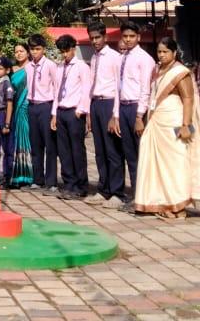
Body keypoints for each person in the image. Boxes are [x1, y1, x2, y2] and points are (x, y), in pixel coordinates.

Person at [135, 37, 200, 219]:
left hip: (174, 122)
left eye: (165, 52)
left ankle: (178, 205)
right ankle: (160, 201)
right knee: (157, 164)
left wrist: (186, 125)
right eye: (159, 52)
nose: (162, 55)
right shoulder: (158, 70)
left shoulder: (180, 72)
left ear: (174, 53)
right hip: (157, 122)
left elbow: (188, 99)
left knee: (175, 163)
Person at [110, 21, 154, 201]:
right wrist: (115, 115)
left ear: (139, 37)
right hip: (124, 107)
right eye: (125, 36)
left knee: (141, 154)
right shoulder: (121, 58)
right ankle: (136, 195)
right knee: (129, 155)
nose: (128, 39)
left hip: (137, 108)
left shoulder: (145, 59)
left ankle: (144, 196)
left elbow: (146, 89)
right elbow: (117, 88)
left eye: (132, 36)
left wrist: (139, 116)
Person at [86, 22, 124, 209]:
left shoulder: (115, 57)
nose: (95, 41)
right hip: (96, 103)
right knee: (100, 151)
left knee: (113, 151)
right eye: (92, 38)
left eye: (98, 37)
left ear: (105, 37)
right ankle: (104, 189)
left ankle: (117, 192)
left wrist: (115, 114)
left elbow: (119, 86)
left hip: (110, 103)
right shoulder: (94, 57)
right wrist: (89, 112)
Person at [51, 35, 92, 199]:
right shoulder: (60, 67)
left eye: (67, 51)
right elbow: (56, 91)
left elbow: (86, 89)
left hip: (75, 111)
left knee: (77, 150)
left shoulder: (81, 66)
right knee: (64, 150)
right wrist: (54, 113)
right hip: (61, 110)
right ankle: (69, 183)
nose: (64, 54)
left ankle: (81, 185)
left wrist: (81, 109)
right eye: (62, 51)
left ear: (73, 49)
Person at [27, 34, 59, 192]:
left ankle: (51, 181)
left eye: (38, 49)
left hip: (46, 105)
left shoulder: (50, 65)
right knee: (35, 145)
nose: (35, 52)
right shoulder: (28, 66)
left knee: (50, 144)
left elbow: (57, 88)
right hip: (32, 106)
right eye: (32, 49)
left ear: (44, 49)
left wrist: (54, 112)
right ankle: (37, 179)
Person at [8, 43, 33, 188]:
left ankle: (29, 175)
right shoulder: (12, 70)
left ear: (27, 52)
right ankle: (18, 175)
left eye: (21, 51)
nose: (18, 54)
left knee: (26, 140)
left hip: (26, 107)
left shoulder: (31, 68)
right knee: (17, 140)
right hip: (15, 108)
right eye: (16, 51)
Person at [0, 56, 15, 186]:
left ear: (7, 70)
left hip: (3, 114)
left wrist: (7, 124)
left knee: (7, 149)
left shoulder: (6, 83)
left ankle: (7, 177)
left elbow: (9, 103)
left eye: (0, 68)